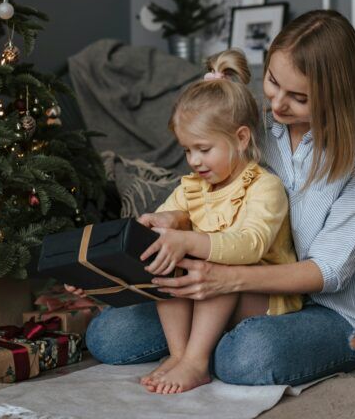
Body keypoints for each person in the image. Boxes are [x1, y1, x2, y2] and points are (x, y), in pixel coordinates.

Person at [67, 9, 355, 387]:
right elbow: (202, 195)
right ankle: (200, 348)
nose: (277, 105)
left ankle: (214, 349)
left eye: (299, 98)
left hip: (330, 309)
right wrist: (169, 224)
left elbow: (330, 272)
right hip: (242, 291)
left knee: (248, 356)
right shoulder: (253, 124)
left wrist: (226, 279)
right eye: (273, 82)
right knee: (109, 334)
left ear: (335, 96)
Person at [130, 49, 303, 394]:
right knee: (167, 258)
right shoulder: (193, 187)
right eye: (186, 150)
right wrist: (159, 222)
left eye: (203, 149)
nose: (194, 160)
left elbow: (250, 244)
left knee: (209, 259)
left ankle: (196, 360)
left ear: (240, 138)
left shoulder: (263, 186)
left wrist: (190, 241)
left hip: (263, 296)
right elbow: (170, 218)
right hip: (209, 295)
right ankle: (182, 355)